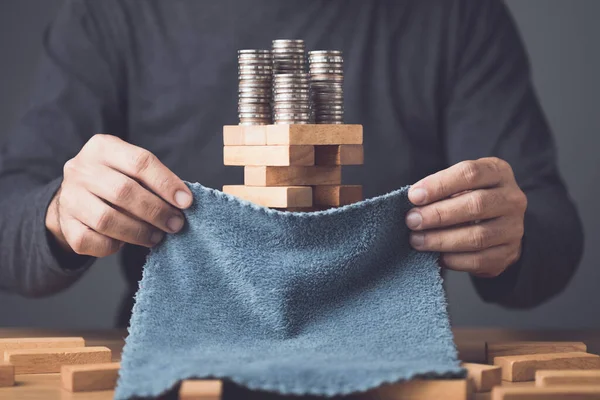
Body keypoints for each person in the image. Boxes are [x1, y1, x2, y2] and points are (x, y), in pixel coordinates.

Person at [0, 0, 583, 327]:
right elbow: (10, 218)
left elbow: (552, 226)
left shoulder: (459, 16)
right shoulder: (110, 14)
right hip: (173, 355)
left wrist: (511, 231)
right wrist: (57, 214)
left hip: (389, 357)